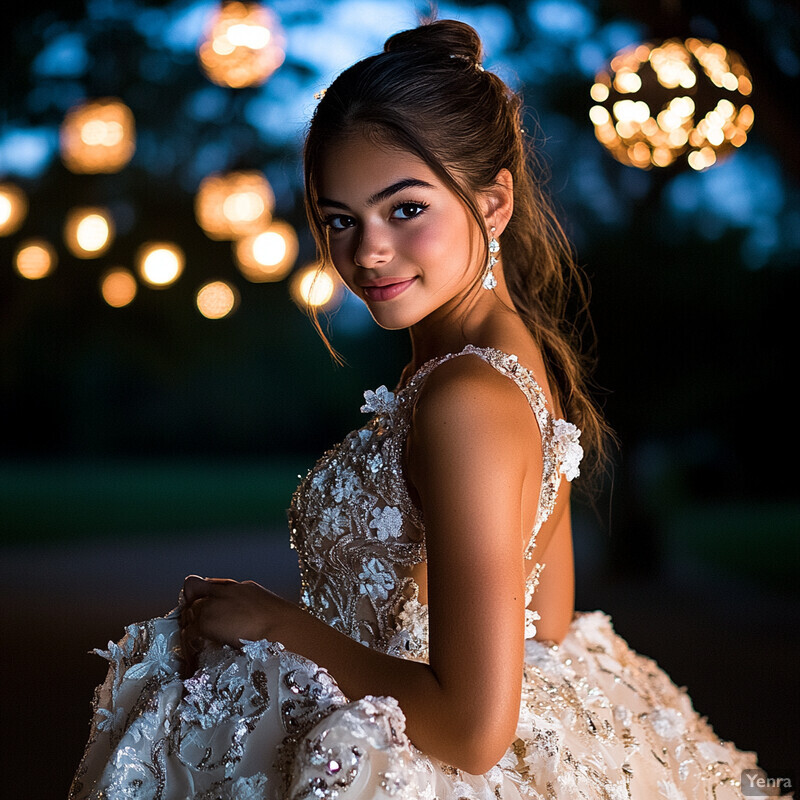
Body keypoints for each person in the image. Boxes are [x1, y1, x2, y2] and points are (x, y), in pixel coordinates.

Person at [70, 19, 780, 800]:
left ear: (494, 200)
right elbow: (546, 623)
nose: (367, 252)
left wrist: (278, 624)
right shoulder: (509, 357)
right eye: (339, 219)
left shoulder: (467, 397)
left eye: (404, 209)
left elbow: (474, 733)